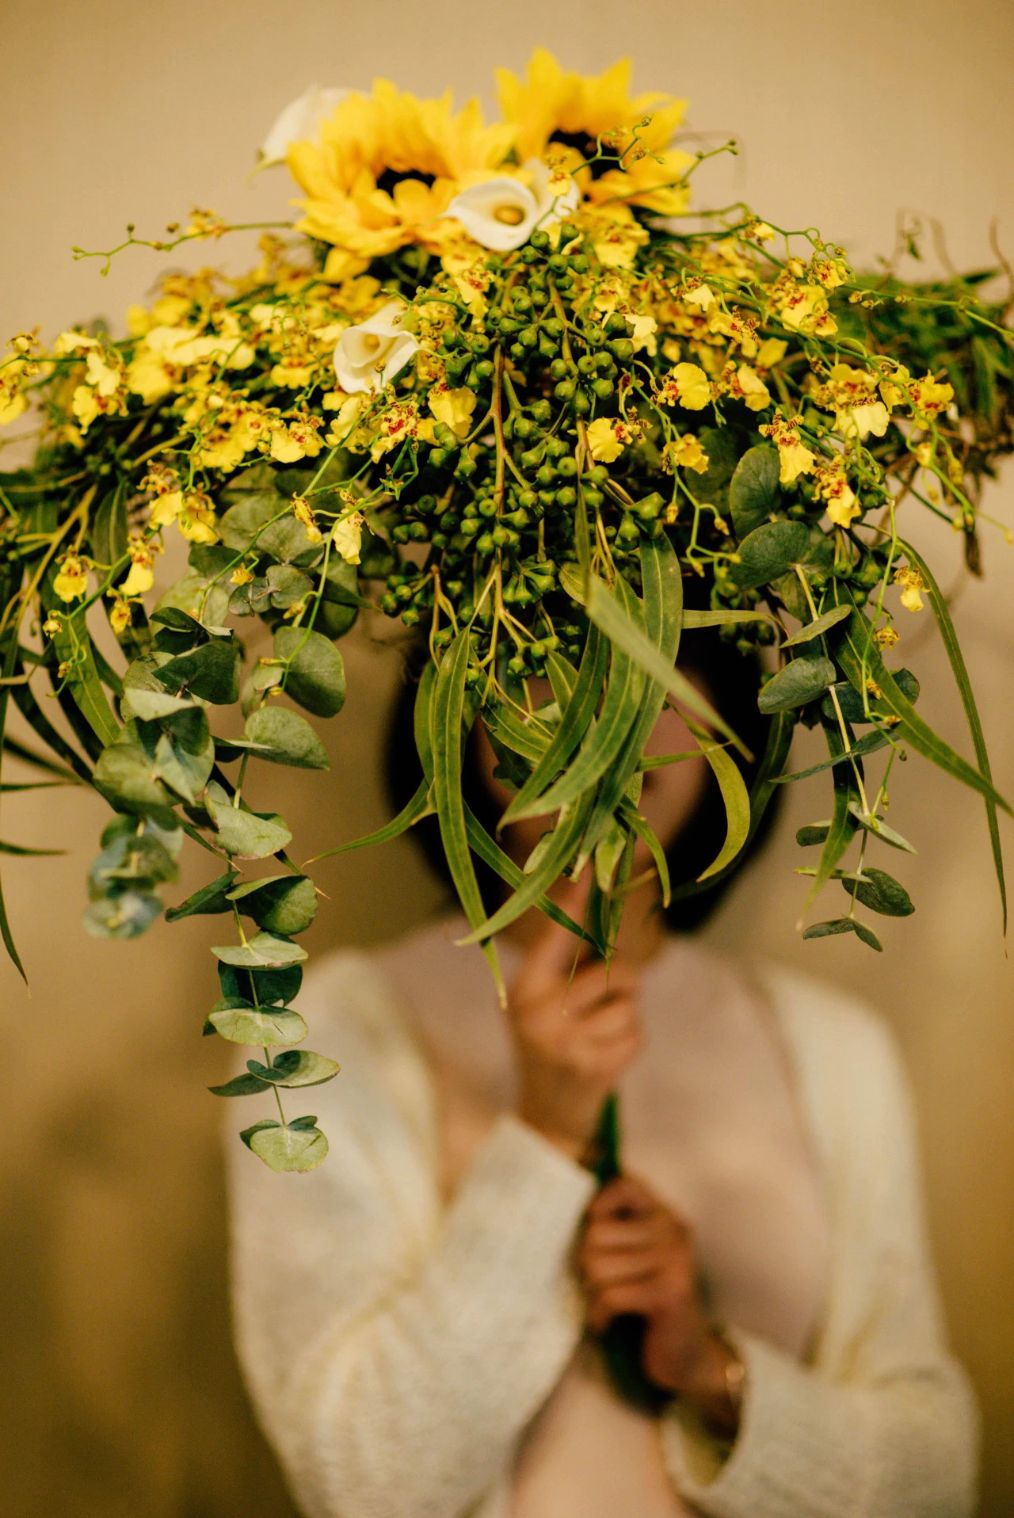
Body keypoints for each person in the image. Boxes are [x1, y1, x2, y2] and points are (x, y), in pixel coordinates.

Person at [223, 632, 980, 1518]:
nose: (603, 708)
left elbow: (934, 1482)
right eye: (539, 648)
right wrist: (546, 1137)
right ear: (453, 711)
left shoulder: (834, 1050)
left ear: (727, 712)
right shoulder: (321, 1038)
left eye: (659, 653)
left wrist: (710, 1370)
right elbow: (364, 1484)